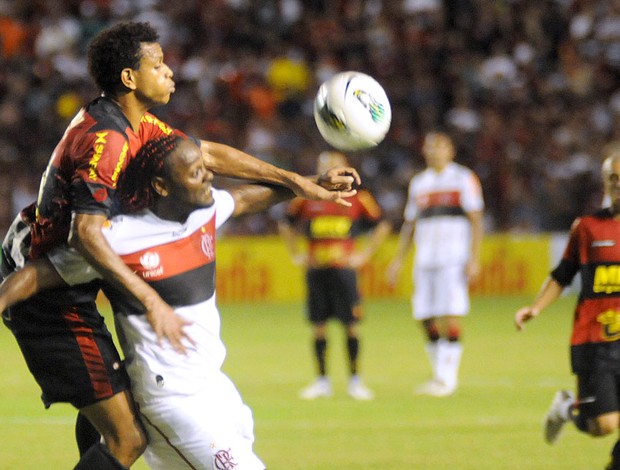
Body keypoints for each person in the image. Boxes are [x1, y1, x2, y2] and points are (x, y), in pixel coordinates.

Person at [1, 21, 357, 469]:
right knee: (127, 438)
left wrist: (299, 182)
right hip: (47, 291)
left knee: (115, 403)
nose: (170, 72)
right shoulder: (106, 140)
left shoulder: (134, 123)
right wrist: (151, 301)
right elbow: (84, 235)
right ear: (128, 78)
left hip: (67, 274)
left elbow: (206, 153)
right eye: (158, 64)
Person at [514, 153, 620, 469]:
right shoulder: (588, 228)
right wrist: (535, 308)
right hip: (595, 342)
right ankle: (565, 410)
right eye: (613, 177)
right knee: (605, 426)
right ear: (605, 183)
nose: (619, 183)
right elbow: (562, 275)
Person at [278, 150, 392, 401]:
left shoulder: (359, 198)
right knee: (318, 327)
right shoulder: (306, 199)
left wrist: (364, 255)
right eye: (323, 165)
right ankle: (322, 381)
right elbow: (285, 222)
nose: (328, 169)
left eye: (333, 165)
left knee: (351, 326)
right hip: (317, 270)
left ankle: (355, 381)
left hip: (344, 271)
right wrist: (296, 253)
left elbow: (382, 225)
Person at [386, 131, 484, 397]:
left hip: (453, 258)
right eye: (429, 147)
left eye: (439, 146)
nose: (433, 151)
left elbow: (476, 219)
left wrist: (474, 258)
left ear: (450, 150)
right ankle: (439, 374)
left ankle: (448, 379)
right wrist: (398, 260)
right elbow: (411, 224)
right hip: (425, 259)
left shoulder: (463, 178)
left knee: (449, 313)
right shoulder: (419, 183)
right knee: (424, 315)